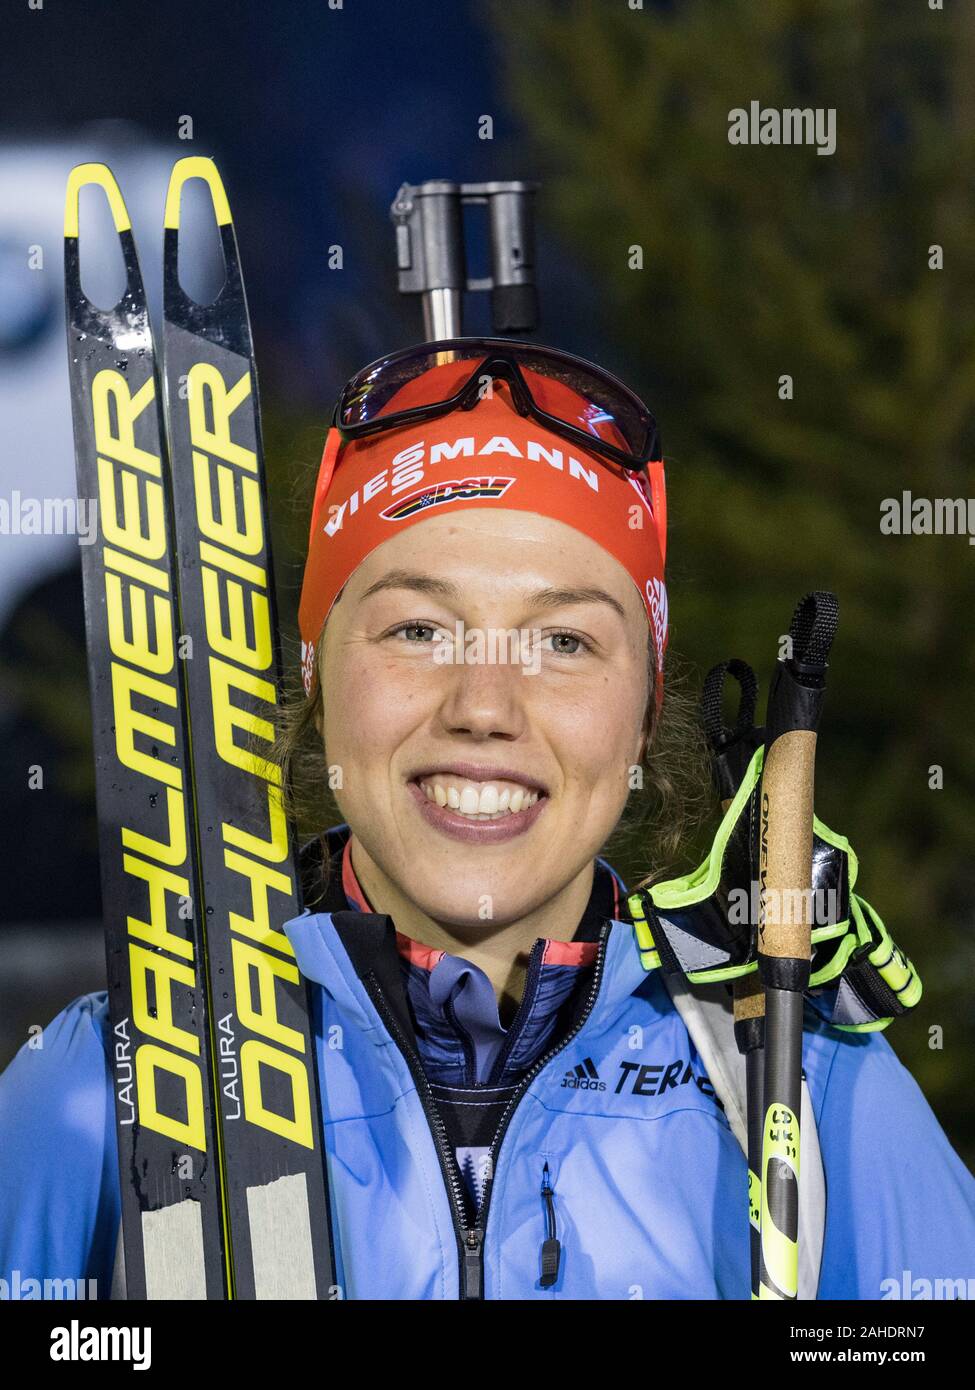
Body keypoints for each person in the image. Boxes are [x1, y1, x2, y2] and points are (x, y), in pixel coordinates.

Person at [2, 340, 973, 1300]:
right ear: (315, 673)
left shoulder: (801, 1081)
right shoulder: (107, 1091)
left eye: (563, 640)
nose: (485, 705)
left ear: (641, 710)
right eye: (418, 629)